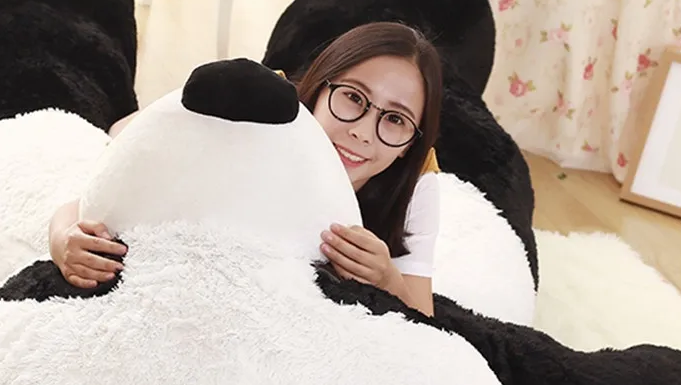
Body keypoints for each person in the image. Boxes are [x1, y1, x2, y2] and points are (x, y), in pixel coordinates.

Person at [48, 22, 442, 316]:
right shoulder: (260, 118)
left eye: (396, 119)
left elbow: (424, 316)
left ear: (412, 143)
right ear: (319, 88)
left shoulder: (418, 180)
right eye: (353, 97)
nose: (362, 132)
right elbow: (82, 205)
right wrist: (64, 241)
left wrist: (387, 279)